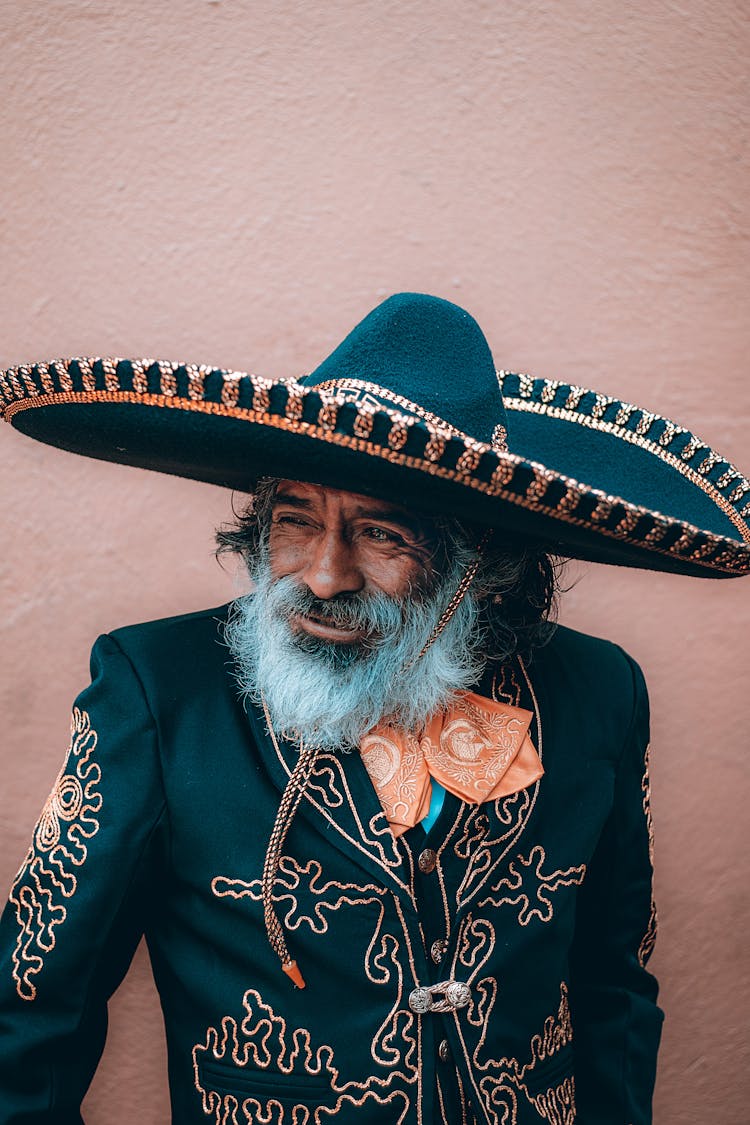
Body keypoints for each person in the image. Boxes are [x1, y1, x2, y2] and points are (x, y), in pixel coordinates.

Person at [0, 293, 747, 1124]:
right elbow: (31, 1013)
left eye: (382, 535)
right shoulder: (155, 690)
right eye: (295, 521)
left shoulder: (599, 695)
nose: (324, 576)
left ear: (478, 560)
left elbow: (614, 989)